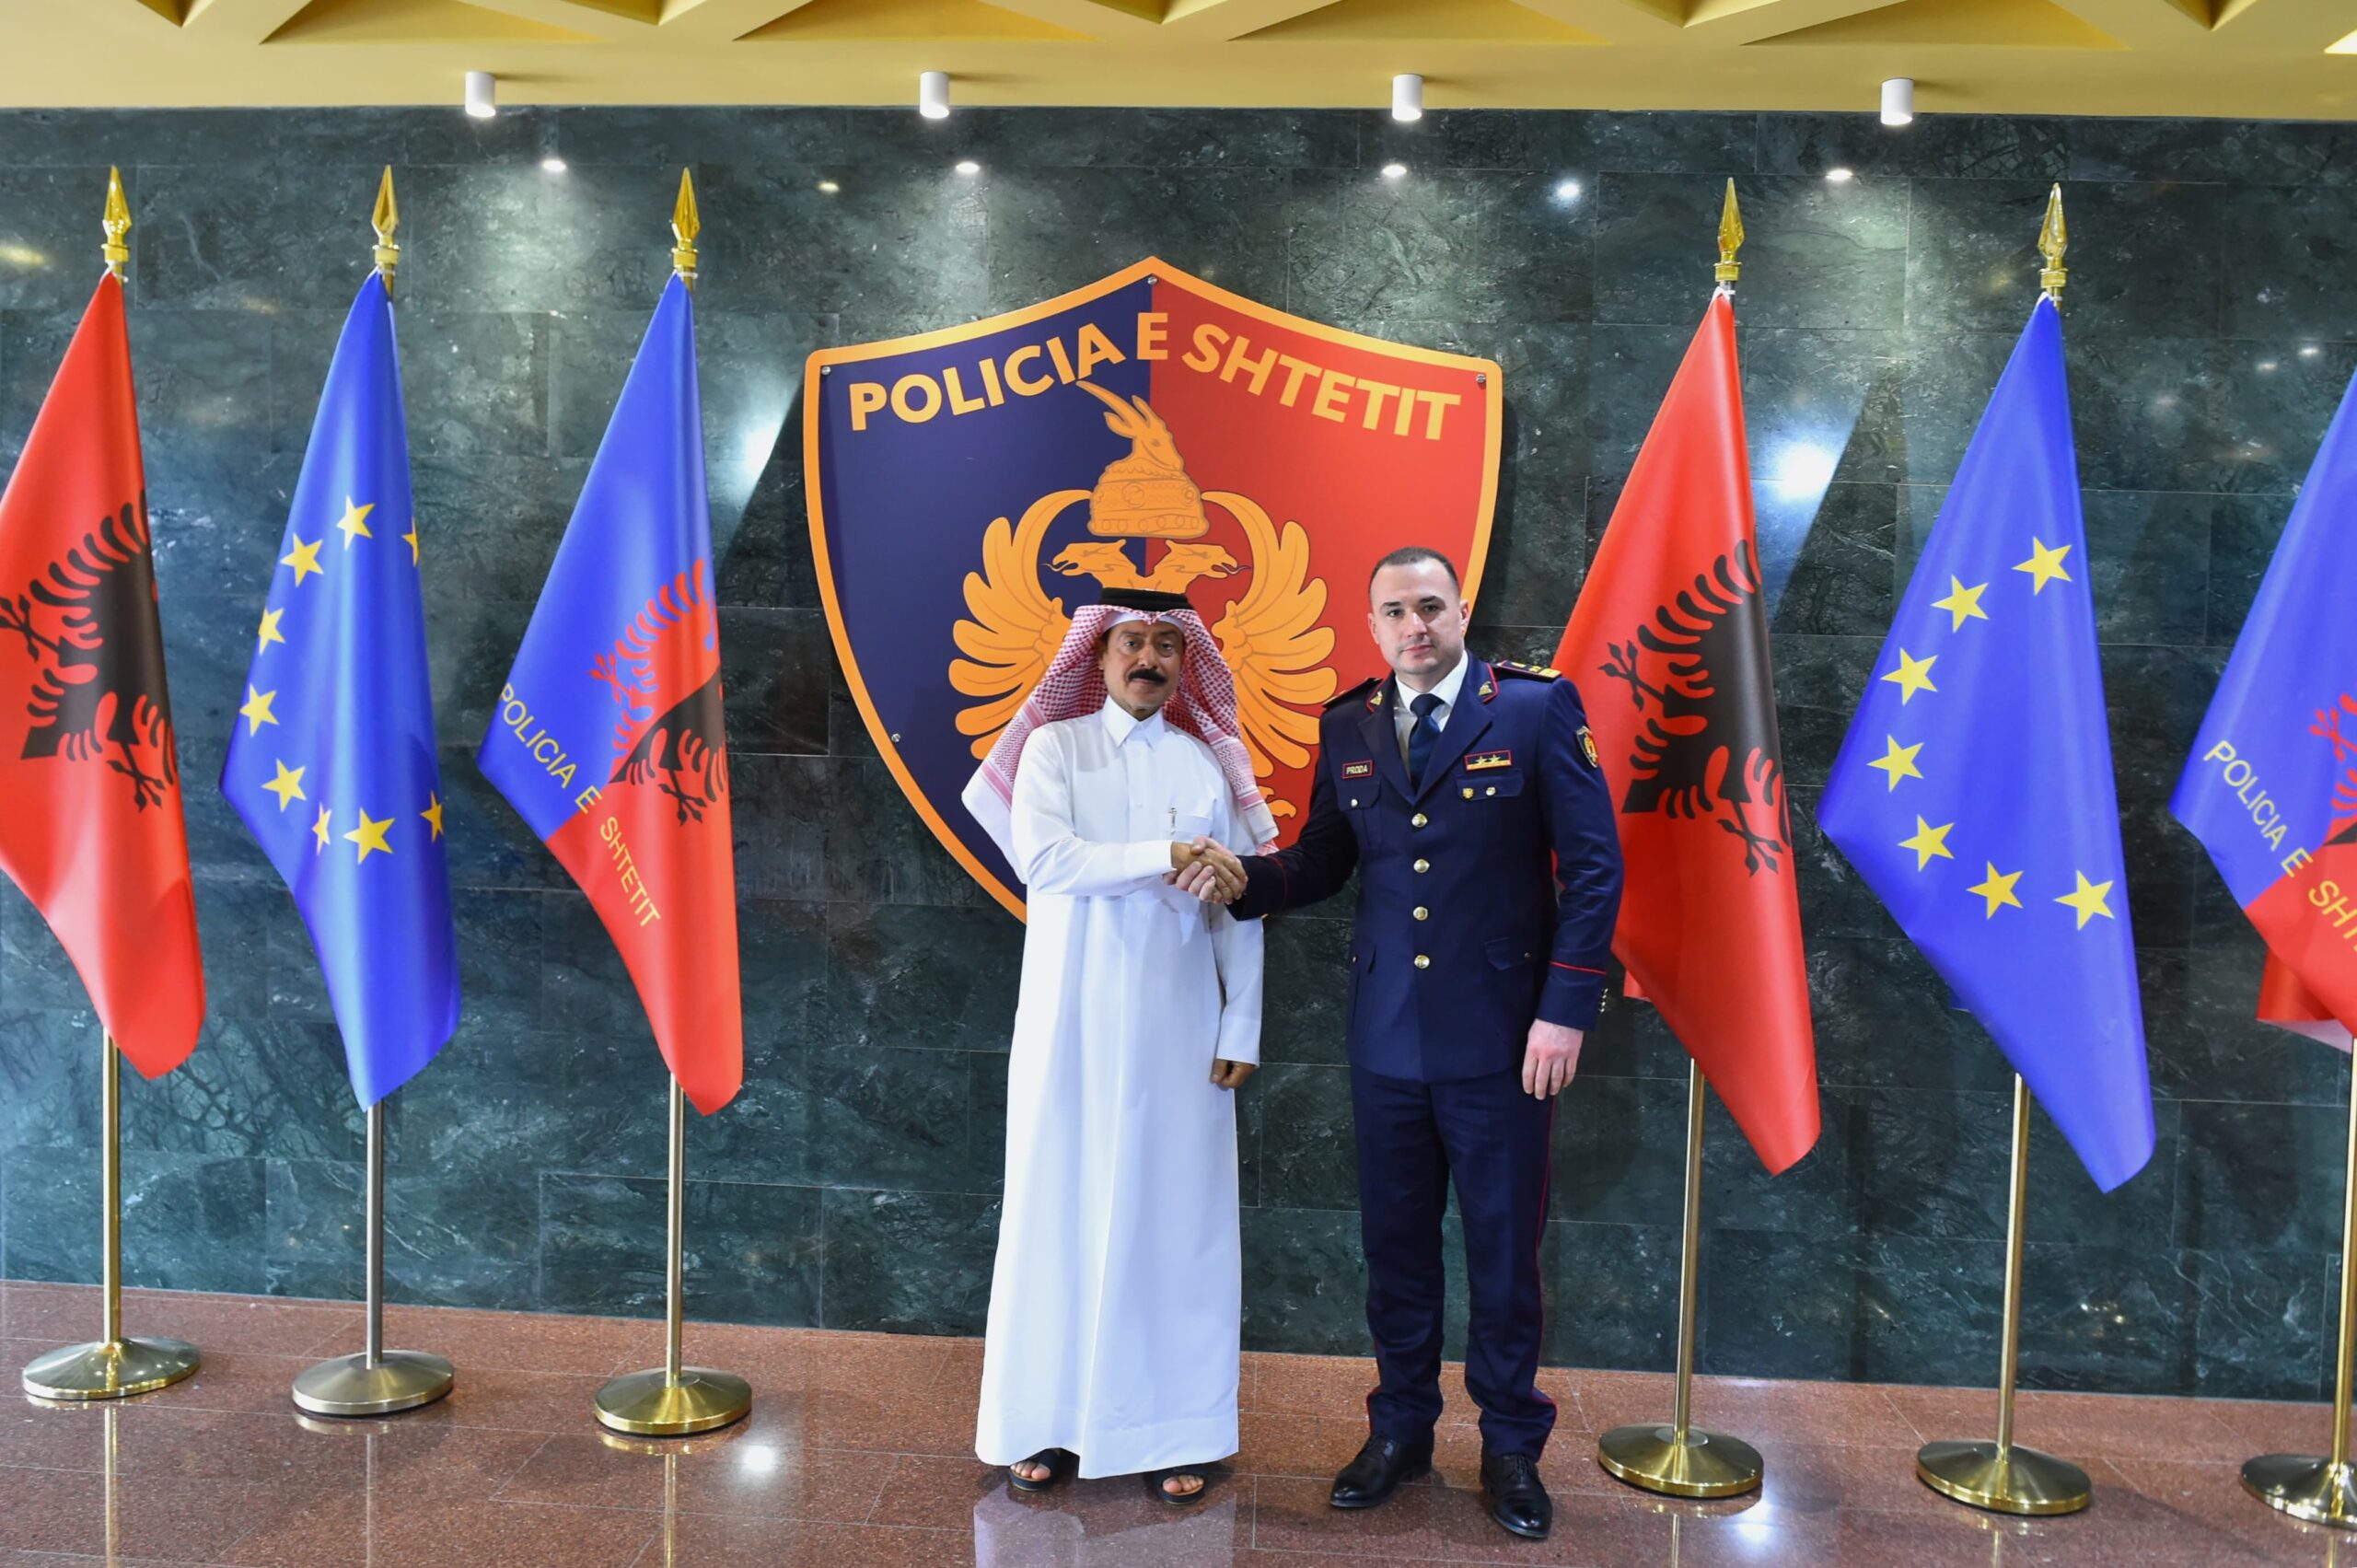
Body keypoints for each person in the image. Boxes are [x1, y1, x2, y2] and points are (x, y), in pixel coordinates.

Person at [1180, 546, 1622, 1541]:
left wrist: (1565, 1008)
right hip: (1385, 1039)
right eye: (1393, 611)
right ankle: (1400, 1429)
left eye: (1429, 606)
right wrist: (1244, 878)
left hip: (1506, 1040)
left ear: (1460, 611)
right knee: (1395, 1250)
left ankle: (1510, 1443)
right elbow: (1325, 859)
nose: (1413, 626)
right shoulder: (1349, 723)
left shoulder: (1534, 709)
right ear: (1372, 624)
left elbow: (1595, 868)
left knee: (1503, 1254)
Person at [960, 586, 1271, 1504]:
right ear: (1096, 657)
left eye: (1166, 645)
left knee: (1176, 1224)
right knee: (1057, 1214)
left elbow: (1239, 905)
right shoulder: (1054, 748)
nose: (1148, 659)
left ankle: (1176, 1430)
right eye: (1130, 641)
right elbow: (1046, 861)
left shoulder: (1205, 765)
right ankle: (1043, 1422)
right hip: (1069, 1025)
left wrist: (1242, 1022)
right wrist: (1165, 852)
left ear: (1185, 664)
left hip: (1182, 1029)